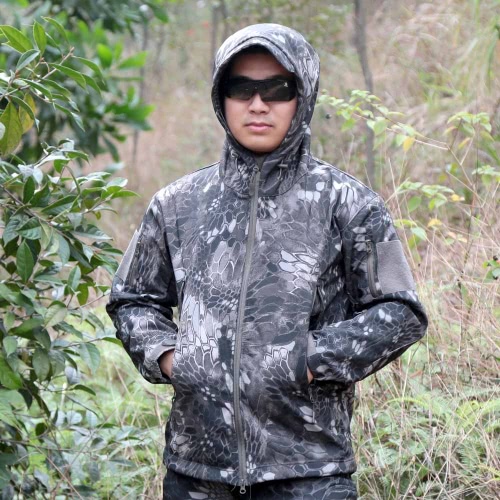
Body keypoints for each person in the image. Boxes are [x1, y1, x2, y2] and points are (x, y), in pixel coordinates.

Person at [107, 23, 428, 500]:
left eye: (277, 89)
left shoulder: (347, 203)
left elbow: (400, 313)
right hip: (196, 473)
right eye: (242, 88)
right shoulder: (177, 204)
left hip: (311, 472)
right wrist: (174, 359)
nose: (258, 105)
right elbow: (133, 299)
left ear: (304, 95)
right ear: (222, 98)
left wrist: (308, 359)